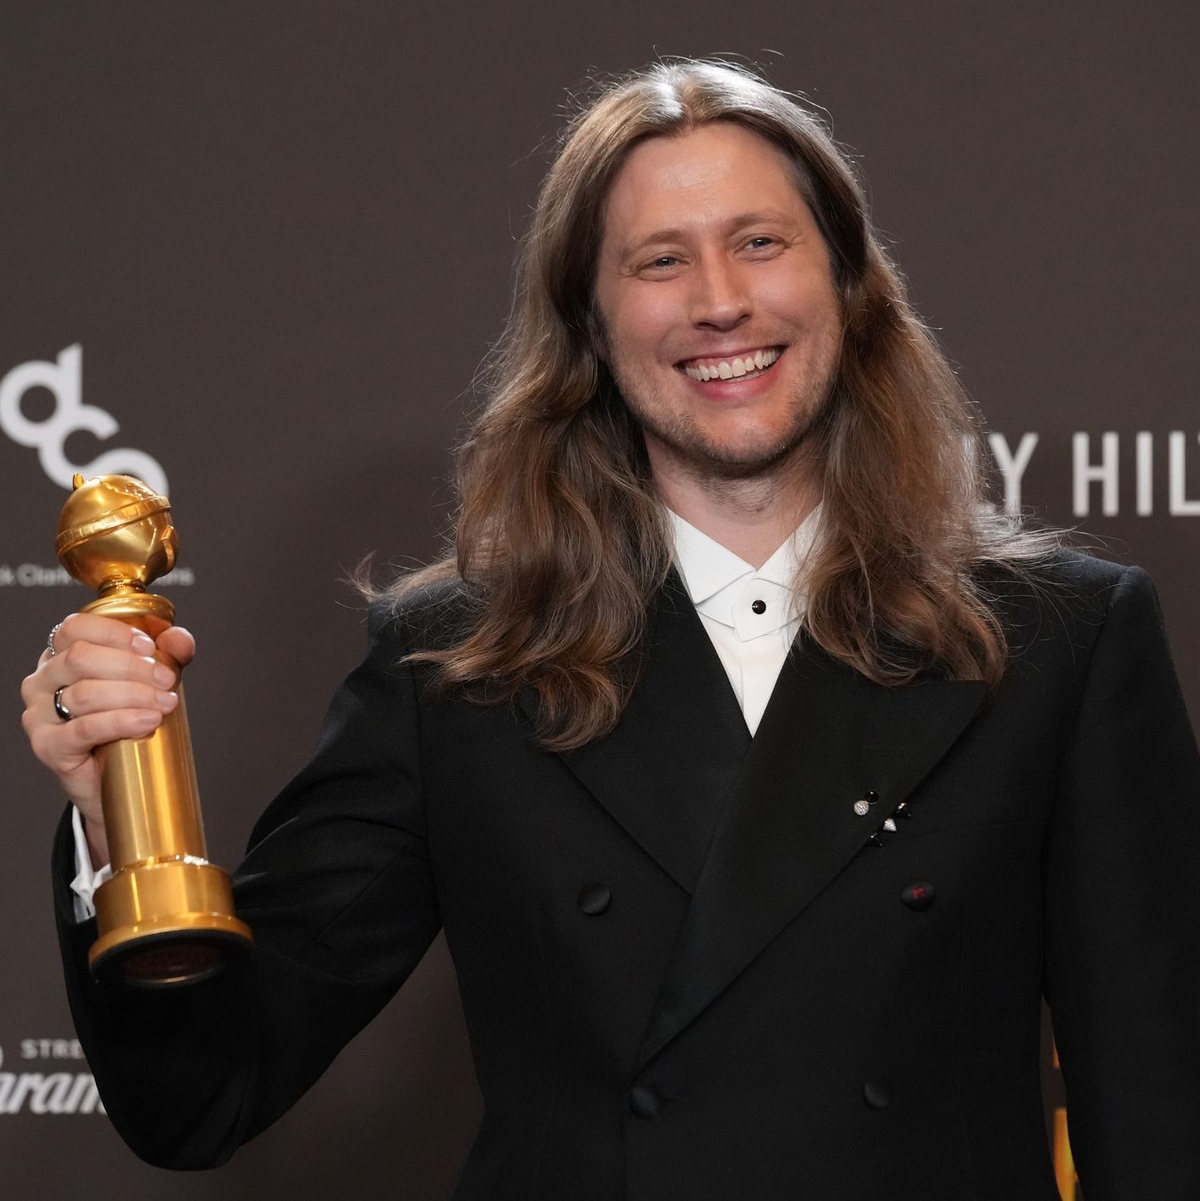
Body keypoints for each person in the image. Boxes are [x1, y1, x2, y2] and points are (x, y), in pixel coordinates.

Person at [20, 59, 1200, 1200]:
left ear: (848, 280)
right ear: (590, 322)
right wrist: (112, 815)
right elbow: (202, 1094)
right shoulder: (456, 661)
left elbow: (1159, 1115)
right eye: (658, 260)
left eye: (760, 241)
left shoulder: (1060, 639)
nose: (720, 300)